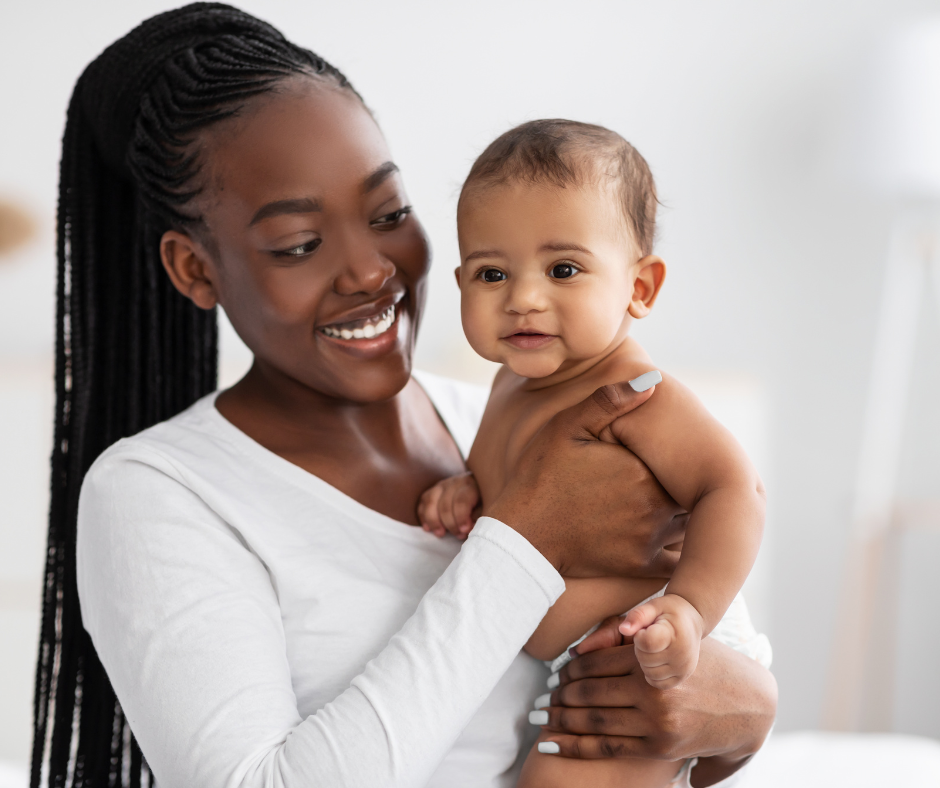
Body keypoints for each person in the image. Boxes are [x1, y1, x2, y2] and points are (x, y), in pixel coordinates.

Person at [31, 4, 777, 787]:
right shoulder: (161, 493)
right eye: (300, 245)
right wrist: (518, 539)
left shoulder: (505, 413)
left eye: (389, 214)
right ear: (195, 269)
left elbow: (721, 645)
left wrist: (748, 712)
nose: (369, 271)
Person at [417, 120, 772, 787]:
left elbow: (736, 489)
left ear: (640, 287)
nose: (523, 298)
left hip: (651, 642)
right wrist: (471, 485)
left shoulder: (640, 398)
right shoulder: (508, 383)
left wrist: (690, 610)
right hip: (575, 656)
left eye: (564, 269)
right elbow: (530, 491)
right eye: (493, 272)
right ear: (461, 280)